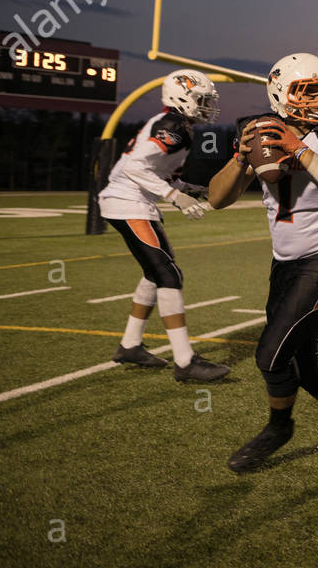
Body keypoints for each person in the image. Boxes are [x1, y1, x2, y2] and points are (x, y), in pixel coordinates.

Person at [207, 53, 318, 472]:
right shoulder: (257, 128)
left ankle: (278, 428)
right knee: (303, 364)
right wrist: (241, 157)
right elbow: (217, 199)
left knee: (270, 355)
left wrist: (300, 152)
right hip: (285, 262)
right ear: (280, 94)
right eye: (310, 93)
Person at [98, 69, 229, 382]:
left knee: (156, 273)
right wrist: (174, 197)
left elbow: (156, 171)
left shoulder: (178, 125)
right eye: (202, 99)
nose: (207, 106)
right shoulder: (173, 126)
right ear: (181, 96)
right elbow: (133, 167)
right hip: (126, 202)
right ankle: (184, 362)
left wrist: (187, 188)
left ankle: (130, 344)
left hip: (135, 201)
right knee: (167, 275)